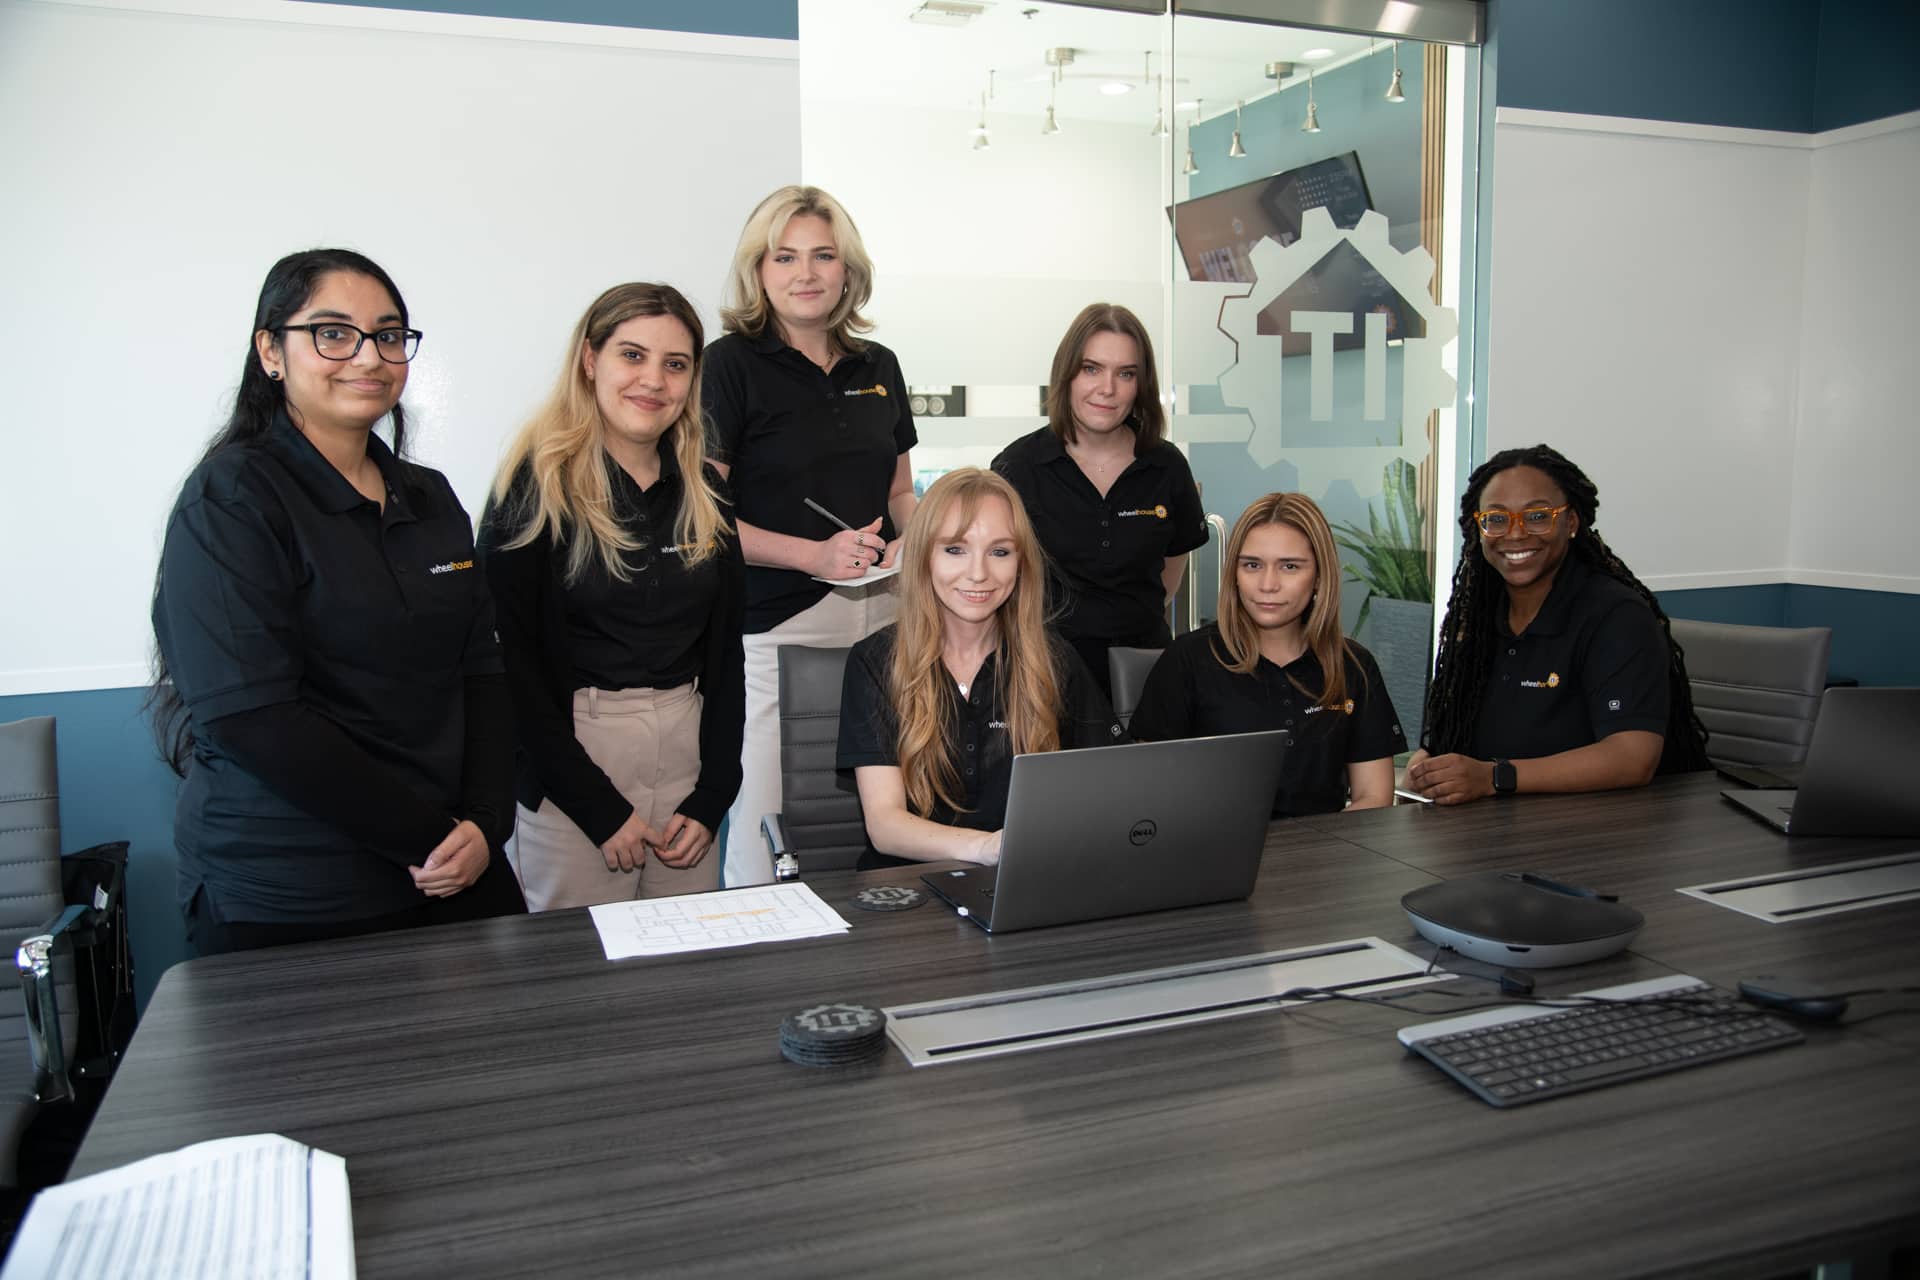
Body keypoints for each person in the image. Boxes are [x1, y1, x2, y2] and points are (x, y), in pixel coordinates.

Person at [149, 248, 525, 955]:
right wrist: (435, 838)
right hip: (293, 887)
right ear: (271, 352)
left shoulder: (429, 496)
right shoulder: (231, 499)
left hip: (451, 861)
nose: (368, 356)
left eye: (388, 335)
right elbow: (254, 719)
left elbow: (482, 671)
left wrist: (485, 822)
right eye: (333, 333)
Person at [478, 283, 744, 910]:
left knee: (686, 957)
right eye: (632, 355)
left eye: (675, 364)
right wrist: (598, 809)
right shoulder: (532, 489)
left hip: (686, 761)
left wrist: (714, 795)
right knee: (578, 964)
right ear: (590, 359)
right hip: (571, 768)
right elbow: (511, 669)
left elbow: (727, 656)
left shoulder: (706, 492)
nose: (653, 380)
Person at [703, 185, 918, 885]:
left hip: (886, 618)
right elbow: (704, 519)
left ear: (847, 269)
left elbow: (899, 492)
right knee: (766, 825)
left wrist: (914, 541)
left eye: (823, 255)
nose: (806, 273)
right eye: (785, 257)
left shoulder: (879, 366)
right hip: (776, 625)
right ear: (758, 271)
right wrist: (814, 555)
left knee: (885, 814)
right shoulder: (728, 366)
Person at [836, 469, 1124, 868]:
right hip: (907, 889)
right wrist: (988, 848)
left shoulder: (1055, 661)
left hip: (1027, 880)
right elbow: (885, 825)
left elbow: (1110, 789)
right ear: (923, 557)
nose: (978, 573)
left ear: (1021, 563)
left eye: (1000, 552)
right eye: (955, 549)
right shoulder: (876, 661)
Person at [1403, 444, 1709, 804]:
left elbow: (1632, 757)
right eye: (1496, 519)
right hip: (1489, 826)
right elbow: (1456, 732)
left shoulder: (1616, 615)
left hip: (1597, 828)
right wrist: (1427, 769)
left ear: (1571, 522)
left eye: (1537, 516)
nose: (1515, 534)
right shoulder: (1478, 618)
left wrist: (1495, 777)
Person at [1130, 493, 1403, 815]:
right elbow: (1147, 795)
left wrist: (1320, 845)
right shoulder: (1187, 660)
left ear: (1319, 576)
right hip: (1215, 845)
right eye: (1252, 565)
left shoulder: (1354, 666)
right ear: (1234, 573)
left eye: (1289, 566)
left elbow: (1374, 797)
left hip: (1327, 845)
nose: (1268, 584)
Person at [992, 303, 1208, 697]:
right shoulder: (1018, 467)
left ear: (1141, 385)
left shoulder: (1167, 466)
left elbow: (1169, 576)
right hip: (1047, 677)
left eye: (1126, 374)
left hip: (1148, 674)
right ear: (1067, 374)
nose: (1107, 389)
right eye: (1091, 369)